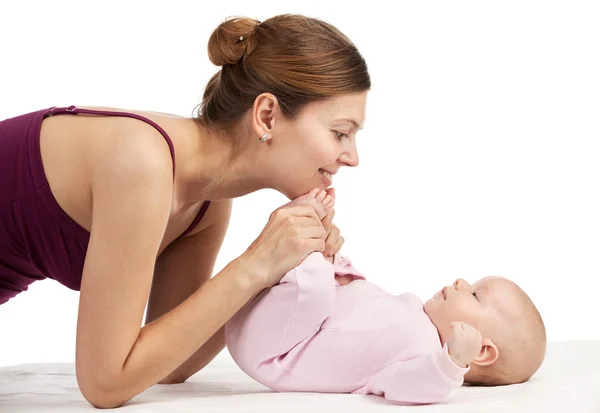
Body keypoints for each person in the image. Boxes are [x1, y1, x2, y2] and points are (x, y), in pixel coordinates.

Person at [0, 14, 370, 408]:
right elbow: (104, 383)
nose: (352, 157)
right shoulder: (142, 161)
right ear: (266, 115)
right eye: (340, 133)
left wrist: (278, 269)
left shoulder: (207, 199)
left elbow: (171, 366)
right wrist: (253, 265)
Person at [225, 189, 547, 405]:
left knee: (316, 285)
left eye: (475, 294)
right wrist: (342, 274)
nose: (462, 281)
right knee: (328, 282)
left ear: (482, 351)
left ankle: (304, 238)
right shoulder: (410, 315)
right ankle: (311, 249)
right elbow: (352, 308)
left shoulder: (424, 358)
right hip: (276, 330)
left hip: (275, 352)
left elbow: (414, 386)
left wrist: (451, 363)